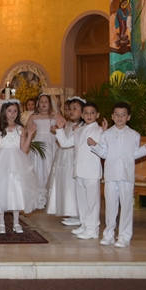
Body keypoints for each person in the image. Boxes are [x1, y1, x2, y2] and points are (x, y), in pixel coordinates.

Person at [88, 102, 146, 248]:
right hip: (111, 174)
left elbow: (134, 154)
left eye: (123, 115)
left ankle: (124, 236)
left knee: (126, 206)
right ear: (112, 116)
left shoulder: (134, 135)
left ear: (128, 117)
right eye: (117, 114)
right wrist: (95, 145)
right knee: (111, 206)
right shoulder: (106, 134)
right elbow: (104, 153)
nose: (120, 117)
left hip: (126, 175)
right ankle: (108, 234)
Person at [0, 99, 45, 234]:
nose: (12, 114)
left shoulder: (20, 129)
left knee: (16, 189)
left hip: (17, 162)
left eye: (15, 111)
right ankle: (1, 222)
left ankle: (16, 222)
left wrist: (29, 135)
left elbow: (24, 149)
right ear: (4, 112)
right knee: (0, 189)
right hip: (1, 162)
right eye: (9, 111)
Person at [54, 102, 103, 240]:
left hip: (92, 171)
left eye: (92, 113)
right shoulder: (78, 130)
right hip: (79, 169)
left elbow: (103, 148)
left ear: (97, 115)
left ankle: (93, 228)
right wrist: (60, 129)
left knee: (92, 202)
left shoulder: (100, 130)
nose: (89, 115)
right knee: (82, 200)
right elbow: (65, 144)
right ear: (82, 115)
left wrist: (96, 144)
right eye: (86, 113)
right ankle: (84, 224)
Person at [47, 97, 84, 225]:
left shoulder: (81, 126)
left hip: (72, 158)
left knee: (72, 185)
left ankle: (77, 214)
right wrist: (59, 130)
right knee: (65, 184)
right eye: (69, 109)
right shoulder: (69, 124)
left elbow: (67, 143)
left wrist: (59, 130)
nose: (71, 112)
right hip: (63, 158)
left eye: (75, 109)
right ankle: (71, 211)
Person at [26, 93, 57, 190]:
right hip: (38, 143)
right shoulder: (33, 116)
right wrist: (30, 131)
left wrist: (57, 130)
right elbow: (26, 129)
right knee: (37, 165)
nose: (43, 103)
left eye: (46, 101)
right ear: (38, 104)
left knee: (49, 164)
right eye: (41, 101)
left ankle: (50, 189)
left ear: (50, 104)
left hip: (51, 143)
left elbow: (64, 126)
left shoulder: (55, 116)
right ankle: (38, 189)